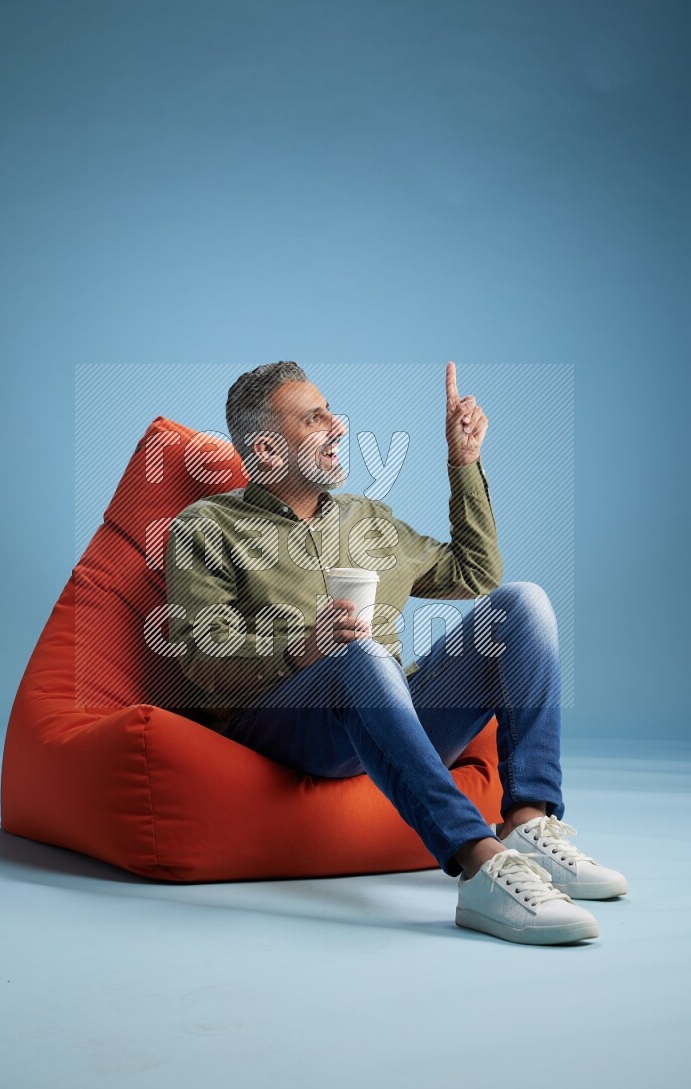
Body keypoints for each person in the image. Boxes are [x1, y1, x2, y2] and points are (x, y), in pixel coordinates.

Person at [165, 361, 627, 945]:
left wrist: (463, 462)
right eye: (314, 418)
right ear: (267, 448)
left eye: (331, 412)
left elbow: (475, 573)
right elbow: (199, 655)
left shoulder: (368, 519)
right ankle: (479, 863)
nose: (338, 425)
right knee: (357, 654)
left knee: (521, 604)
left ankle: (527, 822)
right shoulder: (207, 526)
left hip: (391, 715)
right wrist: (301, 649)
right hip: (292, 729)